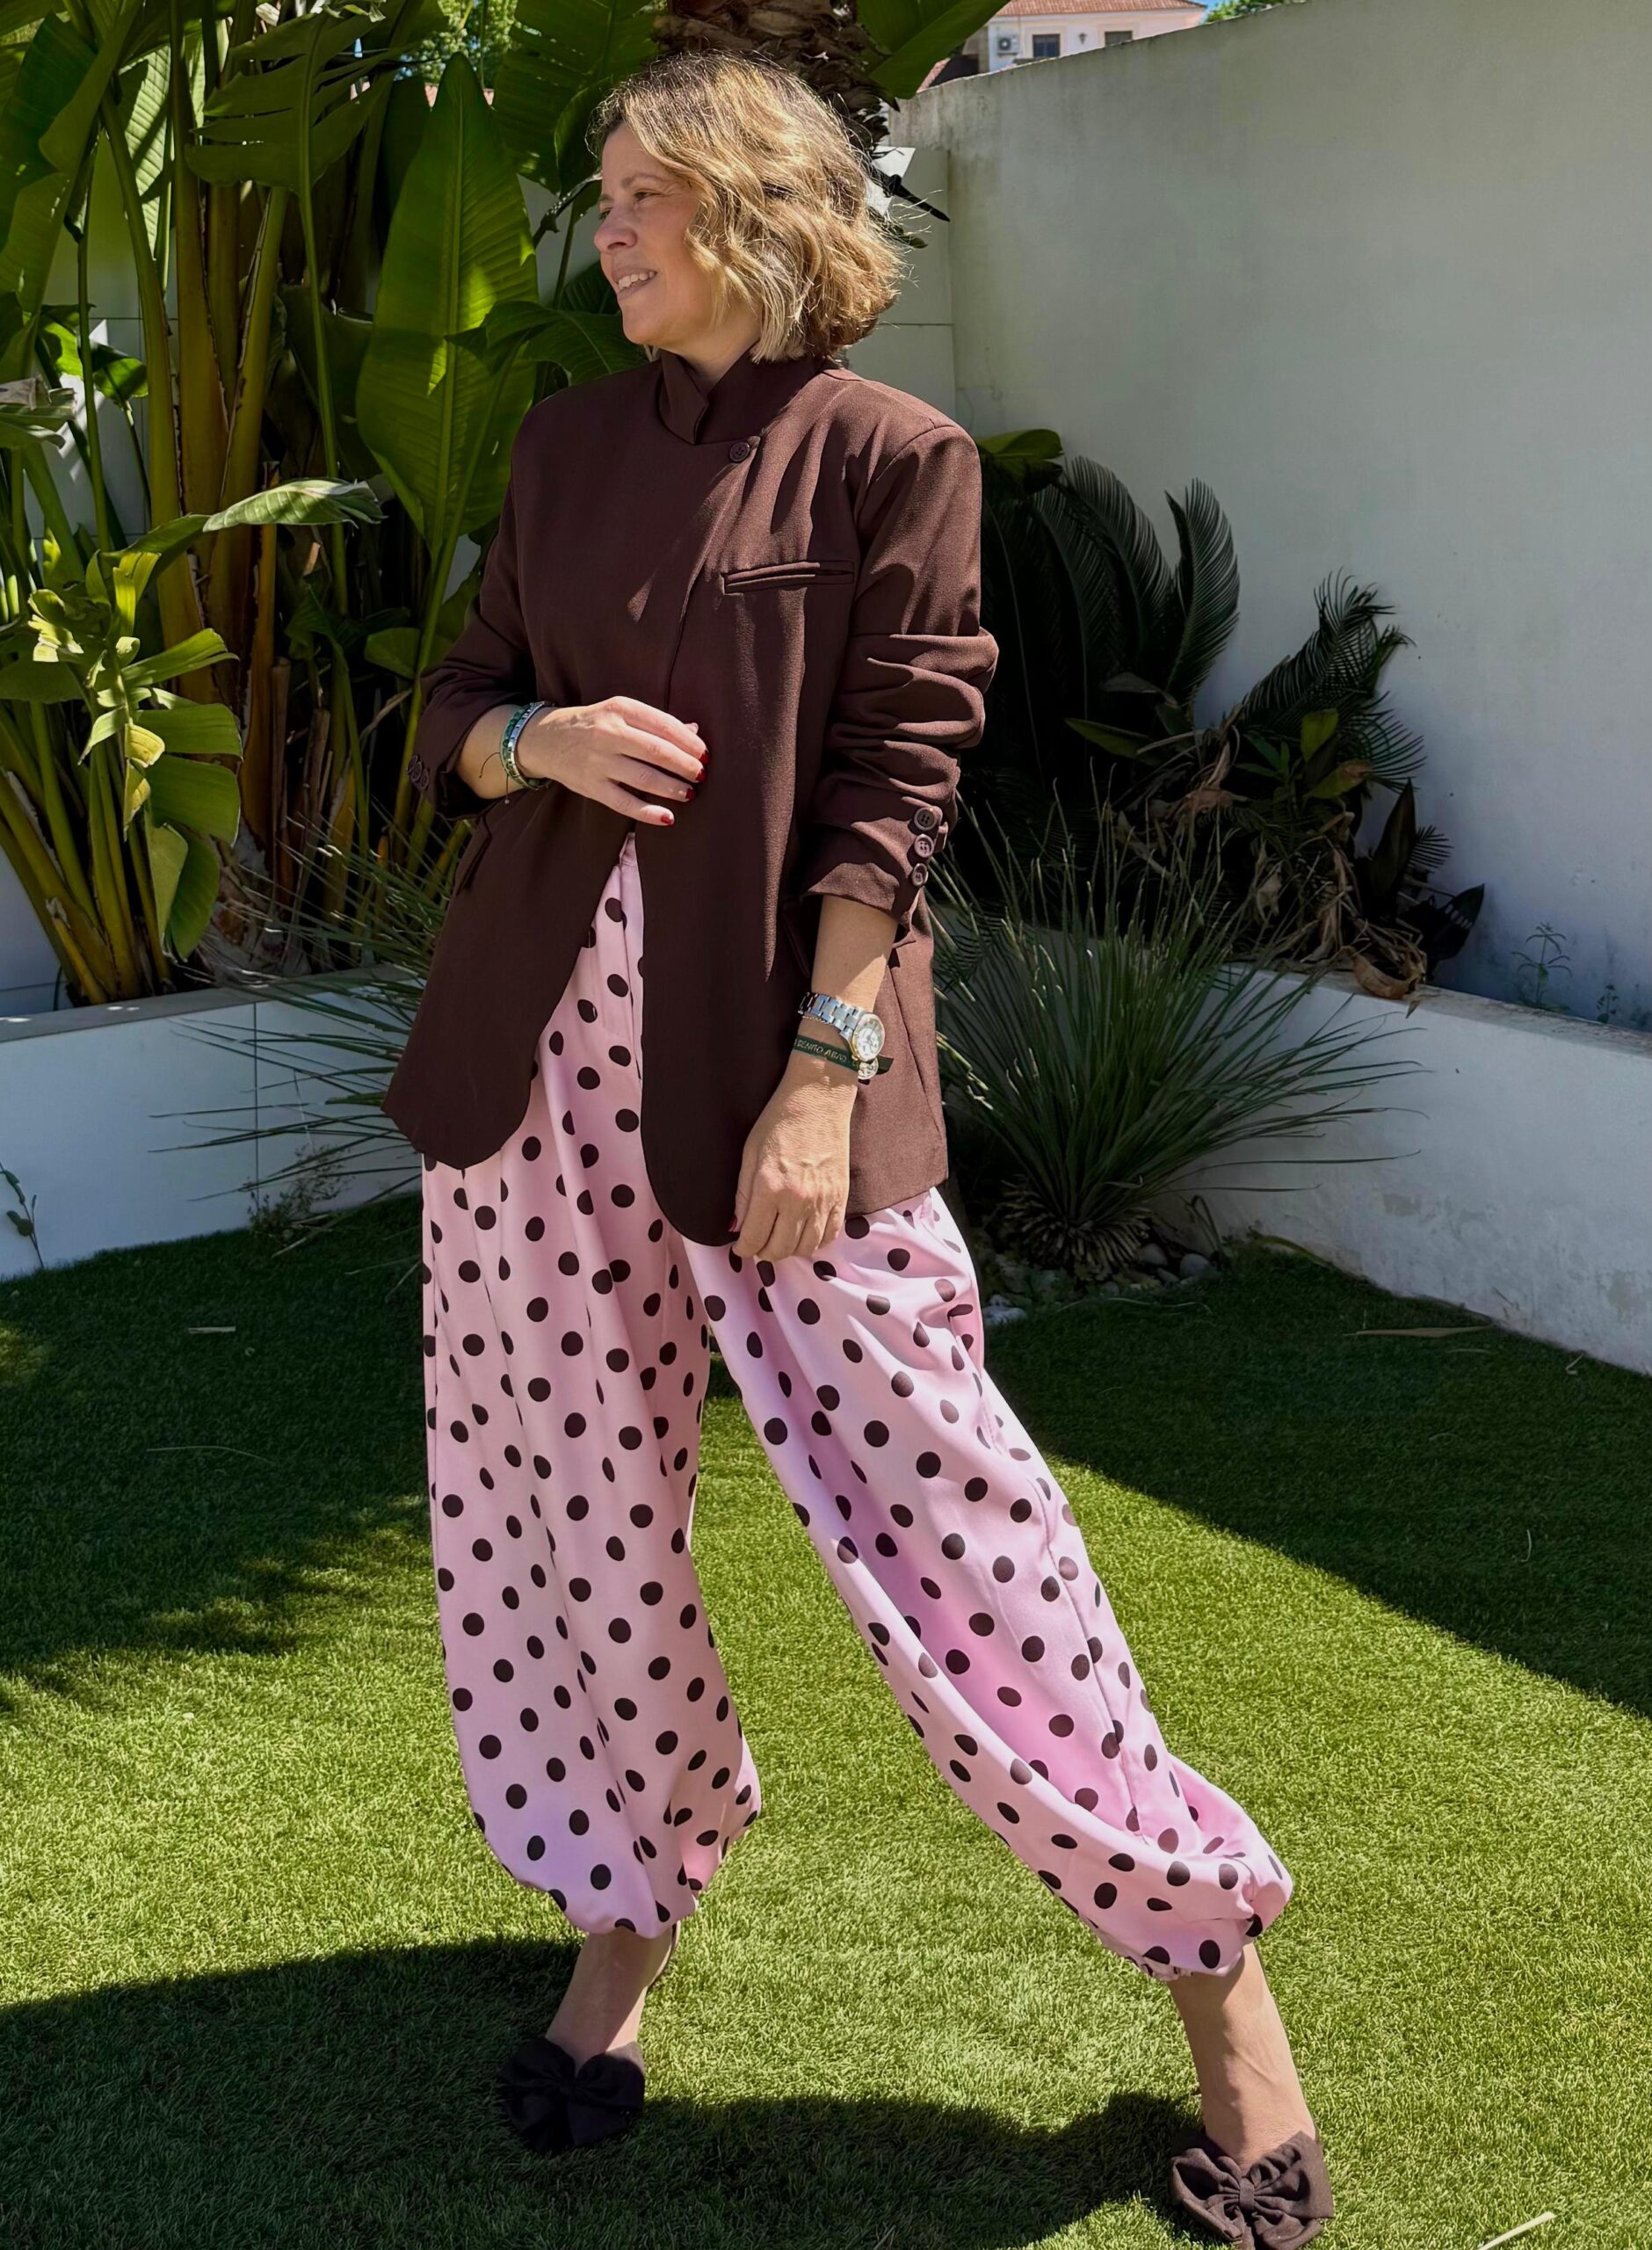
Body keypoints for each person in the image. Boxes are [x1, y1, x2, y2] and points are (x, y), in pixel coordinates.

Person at [382, 48, 1332, 2244]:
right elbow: (448, 711)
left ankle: (1217, 1974)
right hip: (531, 1080)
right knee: (572, 1522)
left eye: (645, 190)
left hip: (776, 1081)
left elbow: (903, 779)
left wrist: (820, 1074)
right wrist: (538, 734)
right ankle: (620, 1921)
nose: (607, 225)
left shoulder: (892, 457)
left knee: (958, 1521)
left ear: (757, 209)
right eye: (604, 189)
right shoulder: (560, 446)